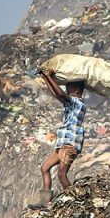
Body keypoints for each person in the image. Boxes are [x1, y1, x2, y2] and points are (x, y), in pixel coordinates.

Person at [31, 70, 86, 208]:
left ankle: (76, 203)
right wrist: (45, 77)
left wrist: (49, 76)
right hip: (62, 145)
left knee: (62, 174)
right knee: (45, 168)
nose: (66, 90)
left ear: (76, 90)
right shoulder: (70, 104)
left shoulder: (78, 104)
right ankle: (45, 202)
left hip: (70, 145)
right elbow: (56, 94)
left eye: (69, 88)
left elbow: (60, 94)